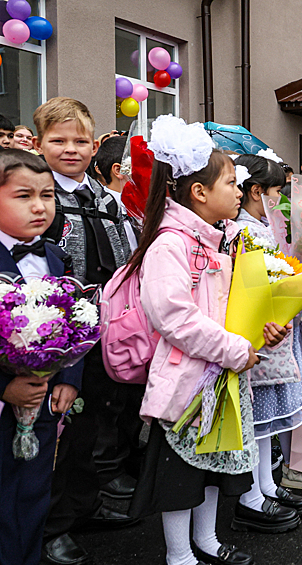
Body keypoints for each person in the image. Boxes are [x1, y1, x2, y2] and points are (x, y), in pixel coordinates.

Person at [126, 115, 287, 565]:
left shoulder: (219, 242)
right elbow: (173, 316)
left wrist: (264, 331)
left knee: (212, 466)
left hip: (220, 373)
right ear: (199, 192)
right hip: (188, 380)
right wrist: (237, 348)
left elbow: (235, 310)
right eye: (232, 182)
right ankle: (180, 555)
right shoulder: (169, 244)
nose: (240, 191)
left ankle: (208, 542)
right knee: (181, 477)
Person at [33, 97, 135, 564]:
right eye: (58, 140)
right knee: (60, 432)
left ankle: (85, 505)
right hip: (55, 334)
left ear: (95, 146)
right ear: (38, 144)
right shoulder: (38, 198)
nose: (70, 149)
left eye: (80, 141)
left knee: (97, 422)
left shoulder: (104, 198)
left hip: (104, 327)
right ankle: (51, 525)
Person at [0, 149, 83, 565]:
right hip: (7, 400)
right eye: (23, 196)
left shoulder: (55, 257)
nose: (39, 206)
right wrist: (6, 386)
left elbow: (77, 322)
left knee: (33, 495)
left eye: (48, 195)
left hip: (43, 403)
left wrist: (69, 377)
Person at [232, 153, 302, 515]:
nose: (280, 199)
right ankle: (251, 492)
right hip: (261, 332)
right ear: (255, 191)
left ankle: (267, 482)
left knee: (268, 416)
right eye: (276, 191)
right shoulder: (241, 231)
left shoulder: (269, 226)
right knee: (258, 416)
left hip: (282, 330)